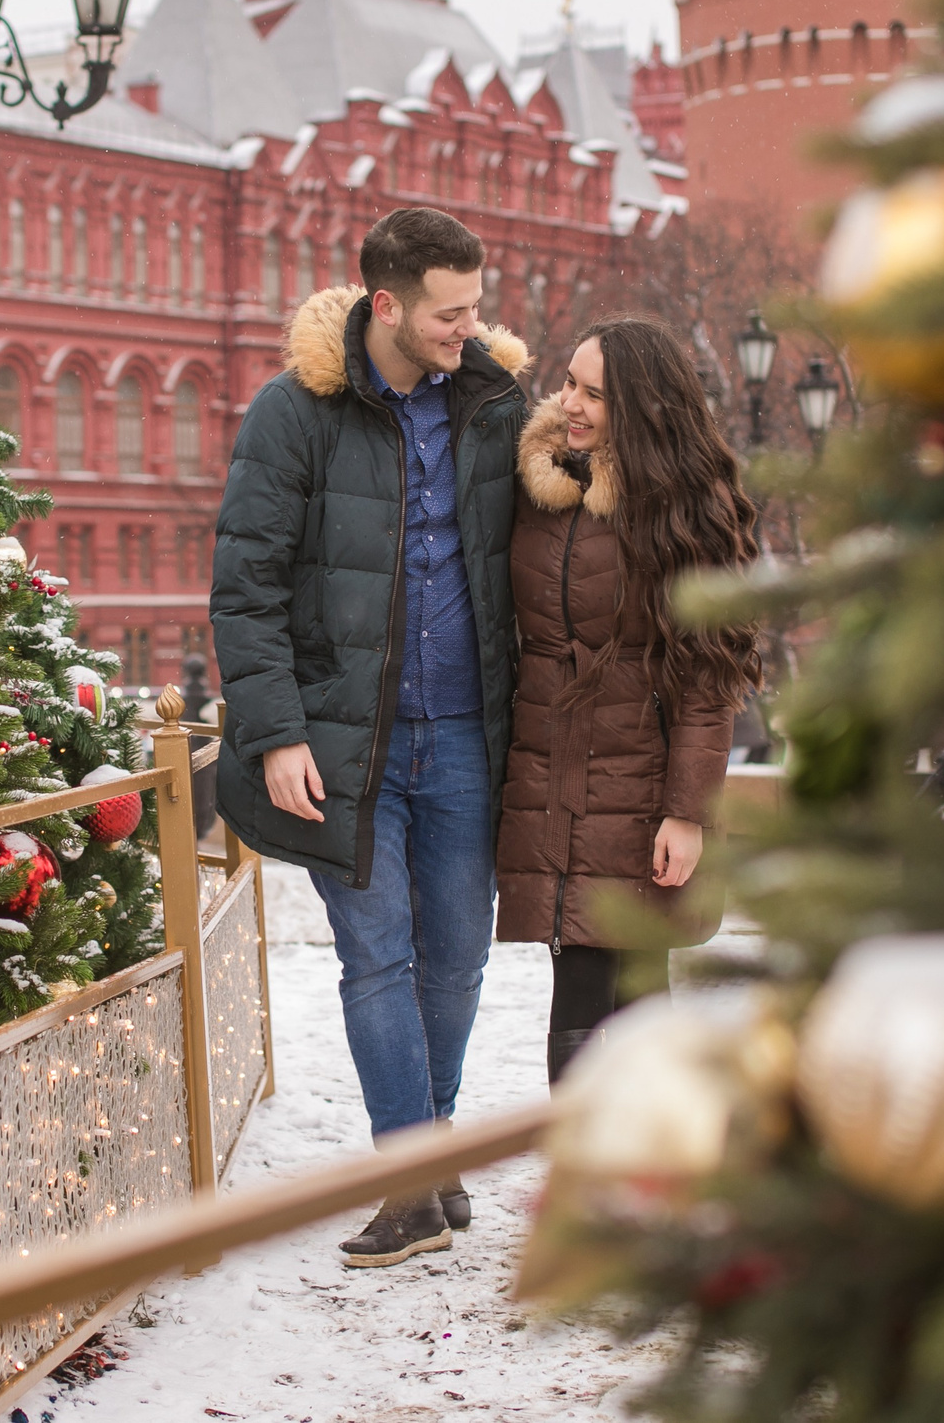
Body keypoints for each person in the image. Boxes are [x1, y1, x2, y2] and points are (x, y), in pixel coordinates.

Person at [211, 207, 530, 1268]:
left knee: (459, 956)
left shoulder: (493, 403)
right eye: (449, 313)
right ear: (386, 305)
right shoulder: (293, 413)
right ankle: (408, 1181)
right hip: (348, 743)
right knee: (377, 955)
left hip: (469, 735)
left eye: (474, 308)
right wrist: (276, 734)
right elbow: (246, 589)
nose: (468, 330)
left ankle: (432, 1152)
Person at [496, 317, 759, 1082]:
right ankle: (593, 1150)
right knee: (579, 978)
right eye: (568, 383)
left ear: (641, 406)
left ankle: (636, 1150)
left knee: (634, 989)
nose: (571, 404)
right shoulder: (540, 481)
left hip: (642, 784)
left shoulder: (685, 506)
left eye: (595, 394)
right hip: (552, 774)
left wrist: (687, 811)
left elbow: (709, 675)